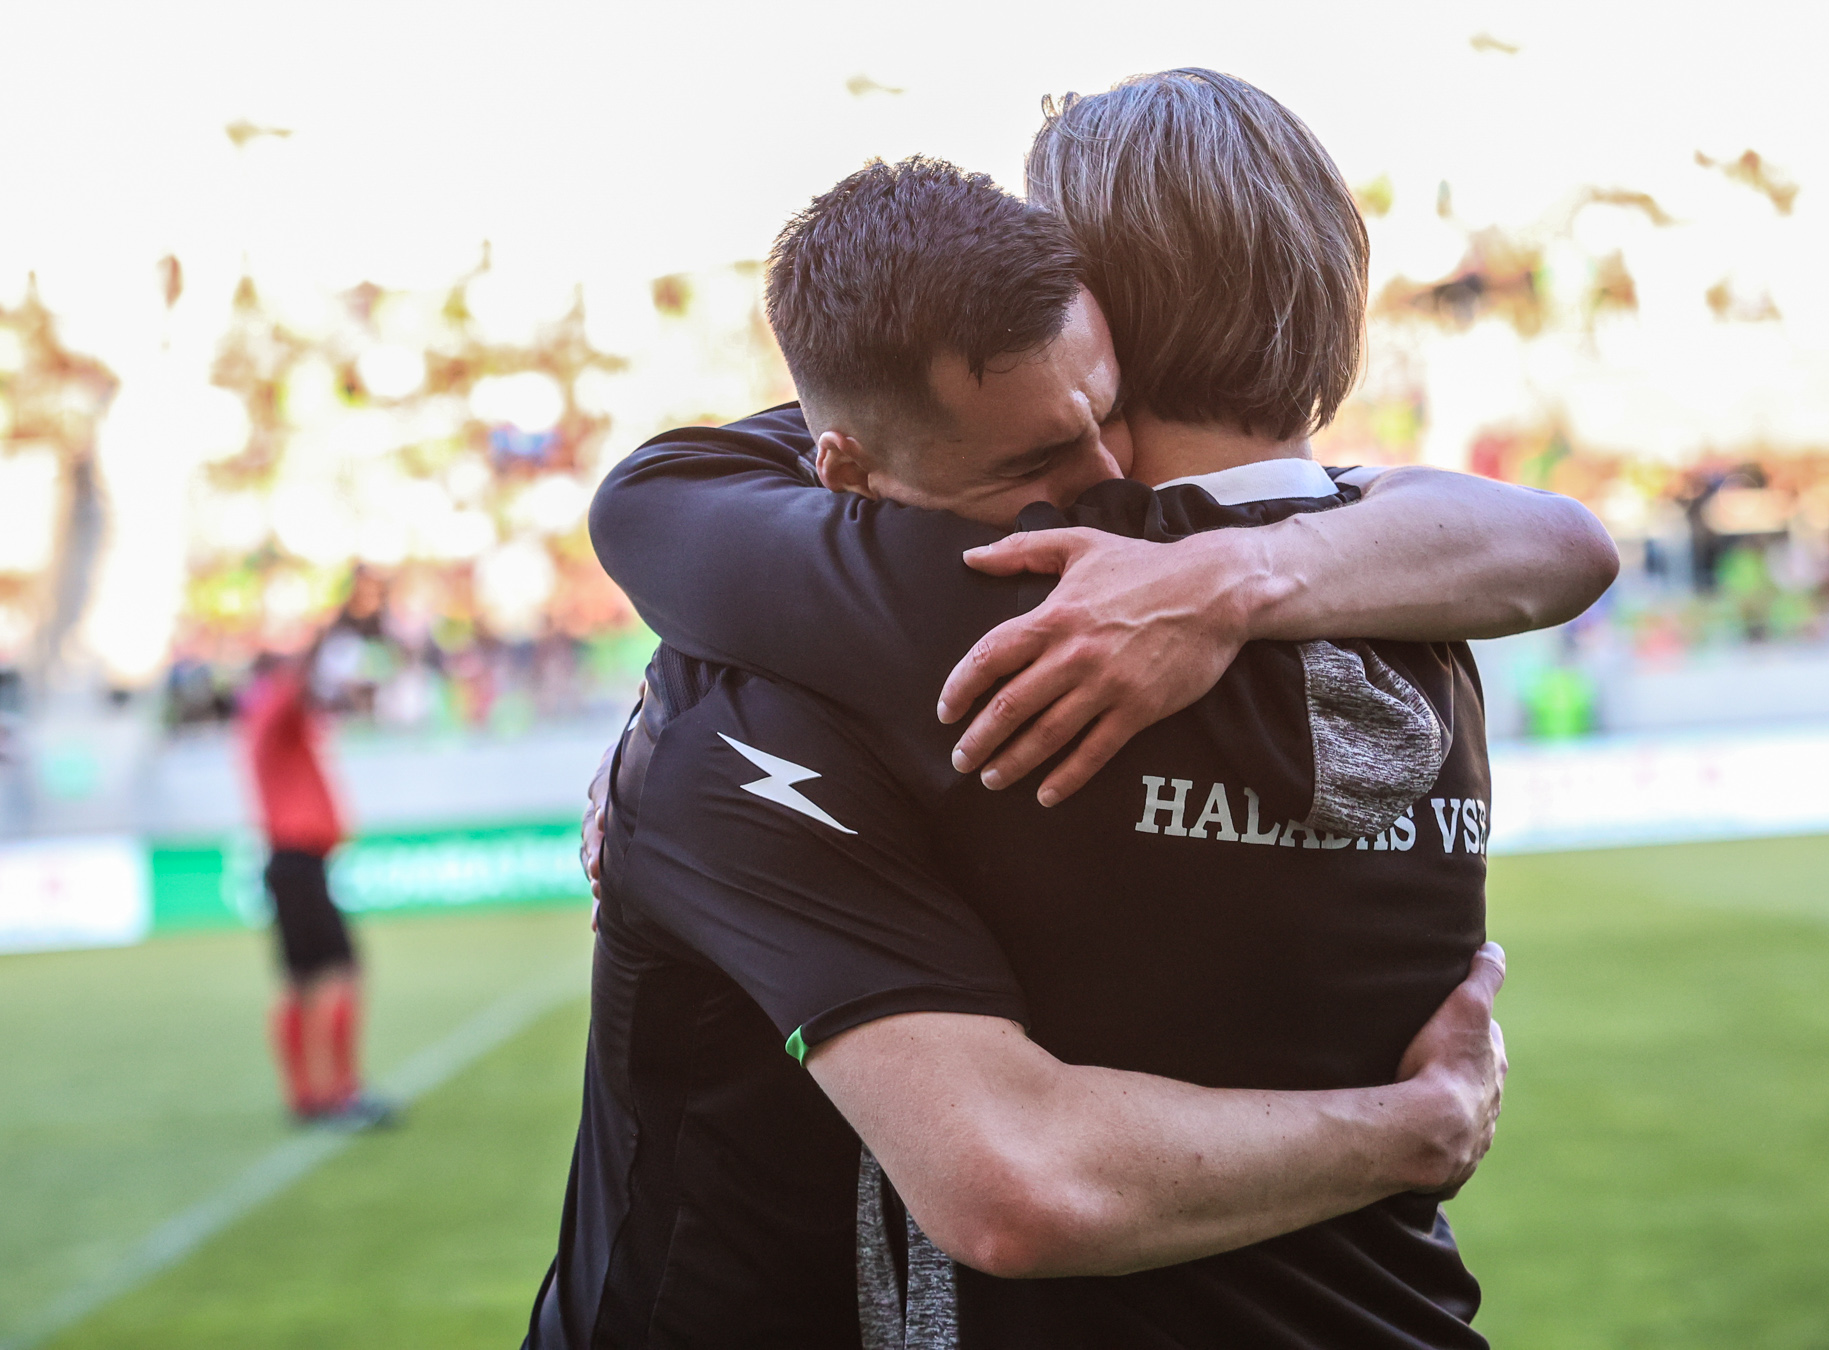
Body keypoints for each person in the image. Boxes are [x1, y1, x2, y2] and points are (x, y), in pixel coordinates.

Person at [534, 77, 1614, 1350]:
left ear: (1092, 305)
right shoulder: (1431, 590)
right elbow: (1569, 544)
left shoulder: (972, 599)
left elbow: (656, 501)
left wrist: (669, 723)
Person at [238, 647, 394, 1130]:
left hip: (291, 864)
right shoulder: (274, 710)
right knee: (340, 971)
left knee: (301, 981)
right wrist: (326, 638)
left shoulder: (264, 721)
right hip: (298, 862)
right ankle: (343, 1092)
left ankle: (306, 1096)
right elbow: (296, 687)